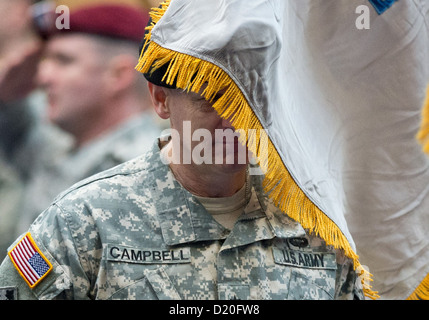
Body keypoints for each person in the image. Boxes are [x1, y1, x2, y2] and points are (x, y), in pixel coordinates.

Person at [0, 1, 364, 300]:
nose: (237, 121)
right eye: (215, 98)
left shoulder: (319, 224)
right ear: (161, 100)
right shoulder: (83, 222)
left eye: (254, 101)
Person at [1, 3, 165, 247]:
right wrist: (7, 99)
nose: (44, 77)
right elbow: (14, 133)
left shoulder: (147, 168)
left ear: (118, 75)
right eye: (46, 60)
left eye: (64, 61)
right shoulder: (54, 144)